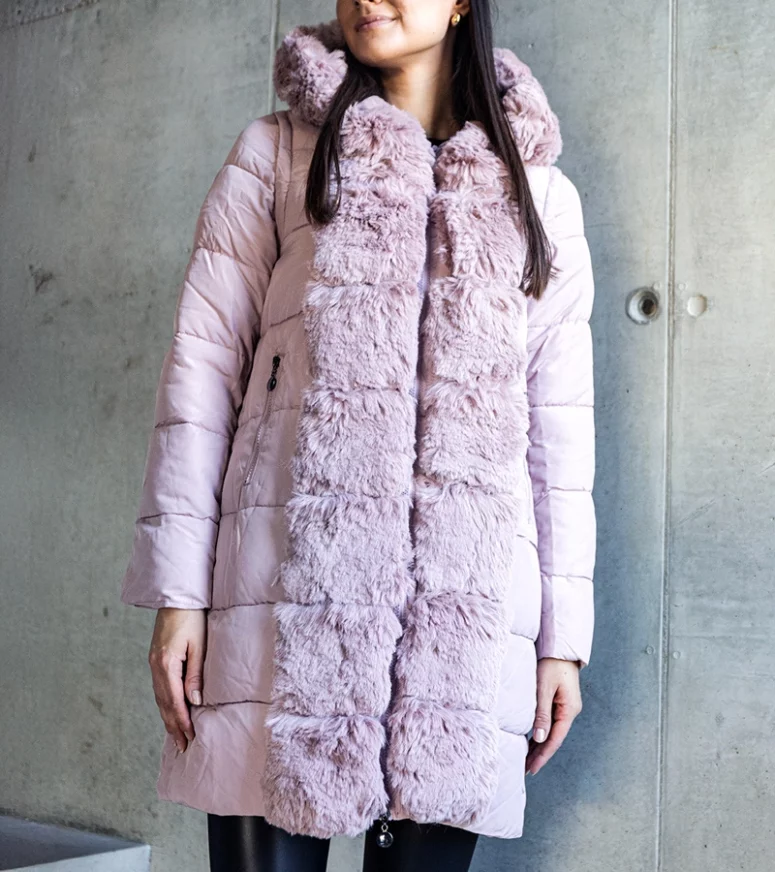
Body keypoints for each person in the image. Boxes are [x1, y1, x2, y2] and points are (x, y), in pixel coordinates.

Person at [120, 1, 597, 870]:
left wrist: (562, 640)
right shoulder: (274, 155)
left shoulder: (541, 194)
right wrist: (178, 595)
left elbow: (558, 434)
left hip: (463, 626)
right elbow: (199, 378)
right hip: (279, 595)